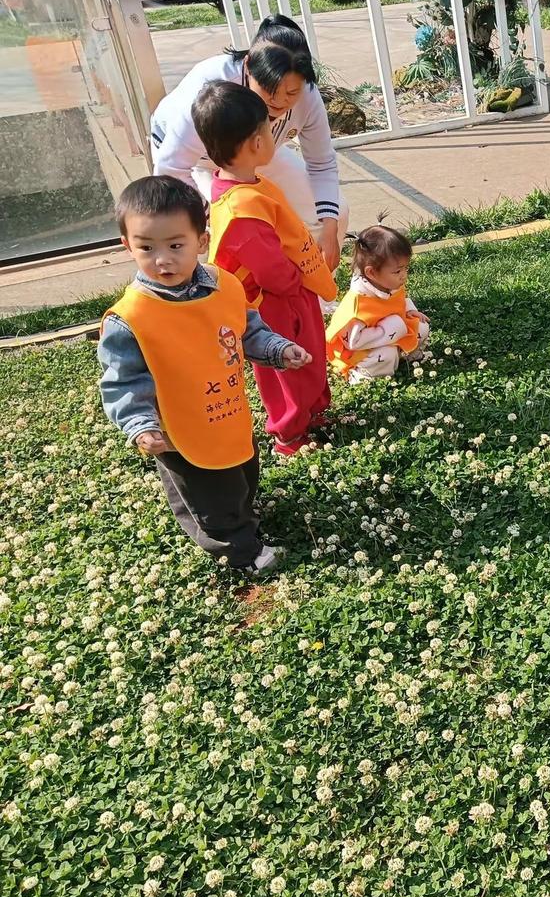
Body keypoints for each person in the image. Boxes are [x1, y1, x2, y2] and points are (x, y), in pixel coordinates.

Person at [97, 176, 311, 572]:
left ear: (202, 240)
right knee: (207, 493)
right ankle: (240, 552)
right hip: (179, 431)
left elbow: (246, 331)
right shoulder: (131, 319)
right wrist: (140, 424)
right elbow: (123, 381)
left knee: (241, 469)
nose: (163, 260)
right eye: (146, 248)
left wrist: (279, 349)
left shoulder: (223, 287)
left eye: (176, 245)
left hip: (227, 411)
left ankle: (240, 512)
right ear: (127, 246)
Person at [194, 80, 338, 456]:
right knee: (286, 365)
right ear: (257, 143)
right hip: (275, 303)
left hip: (293, 293)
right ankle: (289, 433)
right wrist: (296, 282)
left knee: (311, 353)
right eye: (269, 129)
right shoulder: (240, 207)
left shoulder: (249, 186)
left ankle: (314, 412)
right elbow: (270, 268)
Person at [150, 14, 347, 270]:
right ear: (247, 67)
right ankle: (229, 293)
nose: (280, 101)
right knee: (231, 230)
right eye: (269, 90)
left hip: (259, 151)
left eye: (291, 92)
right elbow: (171, 169)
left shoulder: (307, 96)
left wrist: (329, 229)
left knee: (336, 212)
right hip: (199, 160)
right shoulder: (211, 92)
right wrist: (210, 215)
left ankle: (315, 289)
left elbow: (321, 163)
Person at [326, 225, 430, 383]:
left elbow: (399, 300)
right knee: (386, 355)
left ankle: (404, 355)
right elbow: (353, 342)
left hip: (390, 336)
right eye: (397, 271)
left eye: (405, 268)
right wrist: (389, 330)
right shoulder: (359, 306)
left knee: (421, 326)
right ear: (371, 272)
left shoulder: (388, 284)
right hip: (361, 350)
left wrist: (409, 310)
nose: (403, 275)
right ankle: (360, 375)